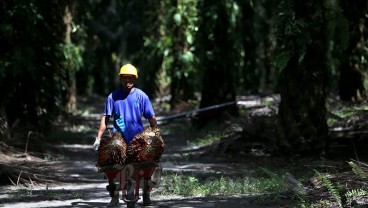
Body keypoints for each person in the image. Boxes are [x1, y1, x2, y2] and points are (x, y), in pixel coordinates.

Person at [93, 63, 157, 207]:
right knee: (110, 165)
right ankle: (114, 197)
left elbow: (151, 117)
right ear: (120, 79)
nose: (128, 81)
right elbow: (105, 118)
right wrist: (98, 138)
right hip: (118, 139)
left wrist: (155, 134)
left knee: (148, 165)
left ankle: (146, 193)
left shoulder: (141, 96)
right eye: (125, 78)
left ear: (135, 79)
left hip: (138, 139)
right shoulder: (113, 97)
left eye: (131, 78)